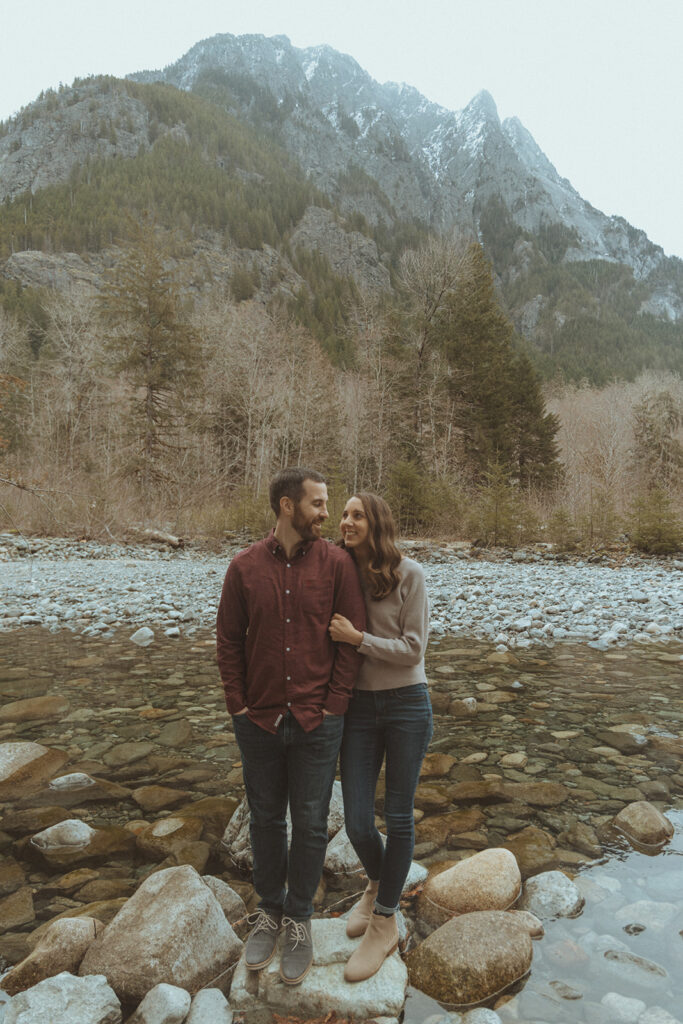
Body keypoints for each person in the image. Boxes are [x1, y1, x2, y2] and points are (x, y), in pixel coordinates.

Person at [216, 467, 366, 986]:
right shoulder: (243, 568)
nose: (327, 514)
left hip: (316, 721)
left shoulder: (338, 565)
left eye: (328, 504)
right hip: (256, 720)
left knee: (308, 821)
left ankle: (299, 918)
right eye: (318, 504)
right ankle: (269, 911)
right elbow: (229, 641)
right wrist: (237, 704)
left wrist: (335, 705)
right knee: (264, 820)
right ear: (286, 506)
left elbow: (351, 641)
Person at [328, 492, 432, 983]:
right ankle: (375, 883)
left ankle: (386, 918)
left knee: (397, 815)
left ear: (377, 523)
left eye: (355, 515)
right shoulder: (340, 570)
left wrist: (358, 640)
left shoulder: (409, 574)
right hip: (359, 709)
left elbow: (413, 651)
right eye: (343, 515)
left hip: (408, 705)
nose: (345, 521)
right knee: (355, 822)